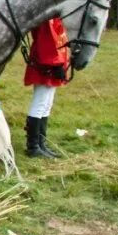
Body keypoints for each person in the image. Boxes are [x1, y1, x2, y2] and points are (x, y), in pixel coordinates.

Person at [24, 18, 70, 158]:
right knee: (40, 103)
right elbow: (48, 41)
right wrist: (56, 64)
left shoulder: (54, 15)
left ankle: (40, 143)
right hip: (47, 65)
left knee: (46, 104)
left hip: (52, 63)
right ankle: (33, 146)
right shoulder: (48, 18)